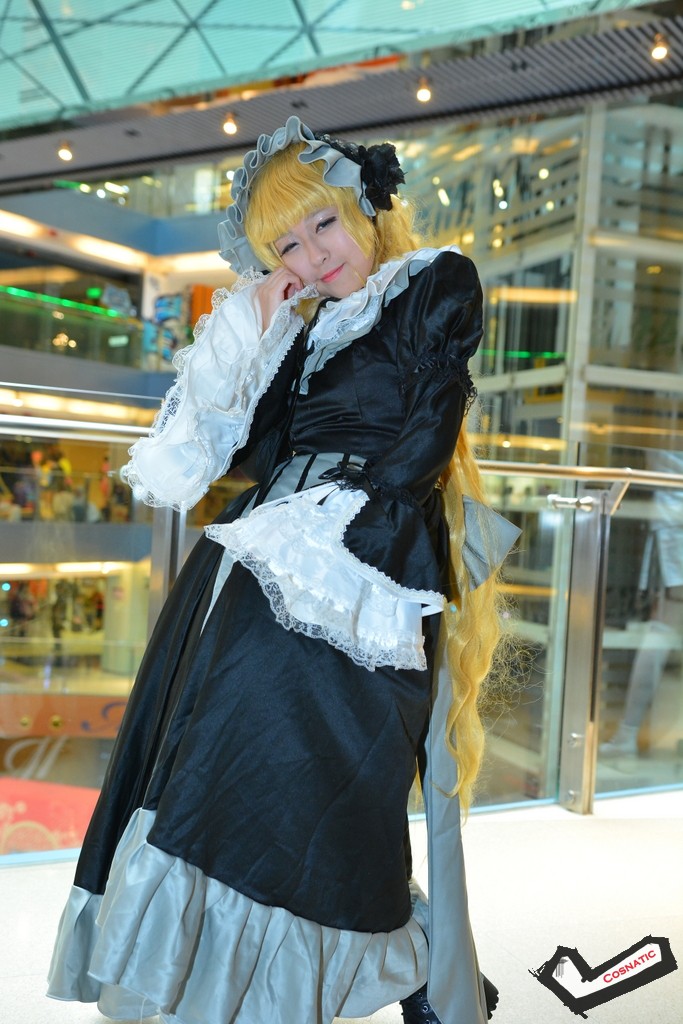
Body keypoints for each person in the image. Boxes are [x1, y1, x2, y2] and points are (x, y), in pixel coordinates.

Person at [47, 117, 519, 1024]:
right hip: (255, 570)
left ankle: (409, 964)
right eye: (286, 246)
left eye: (323, 225)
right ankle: (300, 977)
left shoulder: (433, 281)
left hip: (362, 566)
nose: (312, 255)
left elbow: (428, 429)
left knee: (326, 782)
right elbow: (224, 454)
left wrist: (350, 545)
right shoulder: (301, 332)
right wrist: (258, 319)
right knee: (225, 770)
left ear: (365, 206)